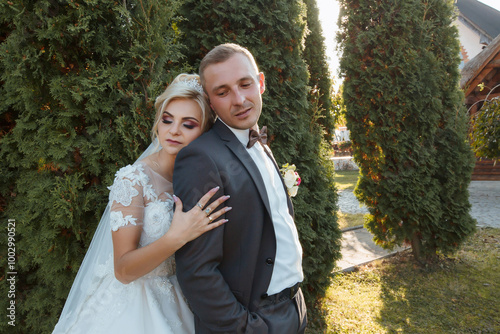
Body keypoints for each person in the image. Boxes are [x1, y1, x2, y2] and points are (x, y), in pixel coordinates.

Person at [53, 74, 230, 334]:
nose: (173, 130)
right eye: (167, 119)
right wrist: (176, 237)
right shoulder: (133, 180)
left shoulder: (200, 181)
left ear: (204, 131)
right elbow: (123, 270)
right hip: (129, 308)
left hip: (179, 300)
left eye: (188, 124)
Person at [173, 44, 307, 333]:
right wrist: (246, 327)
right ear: (211, 103)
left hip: (295, 306)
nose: (239, 99)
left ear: (260, 83)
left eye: (245, 84)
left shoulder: (257, 140)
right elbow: (197, 270)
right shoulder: (201, 158)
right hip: (253, 320)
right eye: (223, 92)